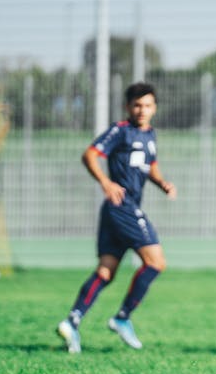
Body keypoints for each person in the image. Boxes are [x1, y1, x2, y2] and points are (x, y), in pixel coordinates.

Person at [56, 82, 176, 353]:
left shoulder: (150, 135)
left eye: (147, 105)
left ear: (155, 108)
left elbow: (151, 166)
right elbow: (89, 155)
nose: (142, 110)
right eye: (137, 105)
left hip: (116, 211)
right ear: (127, 107)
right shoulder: (120, 131)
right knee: (156, 263)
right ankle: (122, 317)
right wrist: (106, 182)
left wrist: (162, 183)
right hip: (123, 206)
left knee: (106, 272)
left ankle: (72, 321)